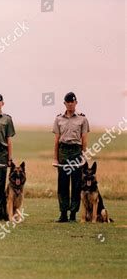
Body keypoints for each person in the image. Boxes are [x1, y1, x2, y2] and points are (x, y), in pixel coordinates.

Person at [52, 92, 89, 222]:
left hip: (76, 151)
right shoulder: (58, 119)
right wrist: (55, 158)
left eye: (72, 102)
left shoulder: (82, 119)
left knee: (76, 184)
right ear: (64, 103)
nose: (70, 104)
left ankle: (73, 213)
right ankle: (63, 213)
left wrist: (83, 156)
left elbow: (84, 139)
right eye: (68, 102)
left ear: (76, 102)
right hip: (63, 150)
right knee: (62, 183)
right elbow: (56, 140)